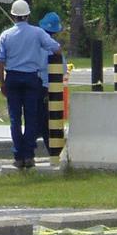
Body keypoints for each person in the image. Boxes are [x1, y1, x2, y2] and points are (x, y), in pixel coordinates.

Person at [0, 0, 61, 169]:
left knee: (15, 119)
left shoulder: (5, 35)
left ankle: (18, 156)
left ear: (13, 15)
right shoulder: (37, 33)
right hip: (32, 78)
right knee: (31, 117)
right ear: (28, 15)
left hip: (13, 78)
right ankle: (29, 155)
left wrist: (2, 83)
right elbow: (56, 48)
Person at [36, 11, 65, 155]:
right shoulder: (54, 47)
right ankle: (55, 153)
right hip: (49, 88)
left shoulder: (33, 42)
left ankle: (26, 152)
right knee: (48, 123)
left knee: (35, 119)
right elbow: (63, 68)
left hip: (34, 85)